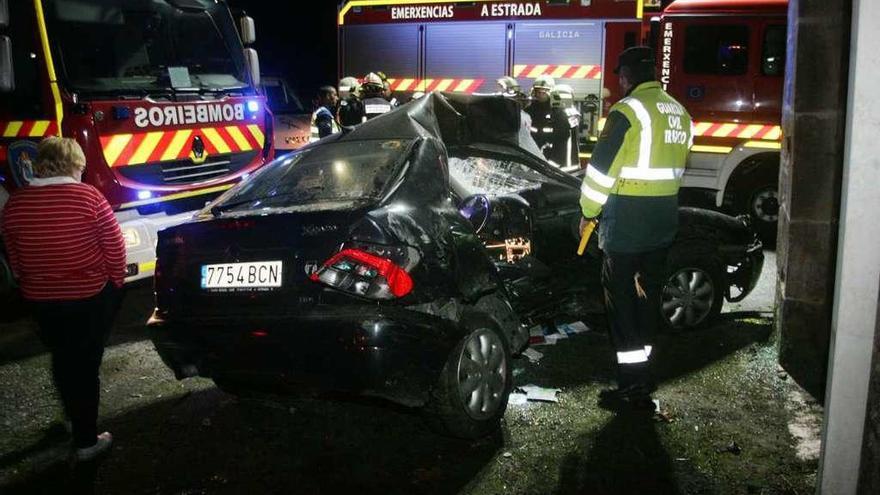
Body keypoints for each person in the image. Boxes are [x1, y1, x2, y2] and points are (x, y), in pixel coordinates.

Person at [578, 46, 693, 411]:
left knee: (622, 304)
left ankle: (631, 385)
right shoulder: (680, 112)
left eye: (621, 77)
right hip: (663, 220)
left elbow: (600, 172)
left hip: (627, 221)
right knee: (647, 298)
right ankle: (644, 372)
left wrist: (588, 212)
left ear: (626, 78)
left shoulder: (627, 111)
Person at [1, 137, 126, 459]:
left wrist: (30, 283)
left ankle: (74, 418)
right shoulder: (88, 198)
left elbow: (14, 256)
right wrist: (115, 284)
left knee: (62, 358)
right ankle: (86, 441)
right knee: (85, 366)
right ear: (75, 164)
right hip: (87, 297)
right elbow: (114, 249)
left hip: (41, 301)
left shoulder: (16, 203)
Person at [524, 75, 571, 167]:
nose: (540, 94)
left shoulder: (558, 112)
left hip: (551, 157)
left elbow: (563, 138)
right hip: (531, 155)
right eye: (538, 91)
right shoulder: (528, 111)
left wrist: (554, 163)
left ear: (551, 92)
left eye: (544, 92)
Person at [550, 84, 581, 169]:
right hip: (571, 164)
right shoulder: (572, 113)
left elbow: (561, 139)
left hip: (562, 165)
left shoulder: (563, 114)